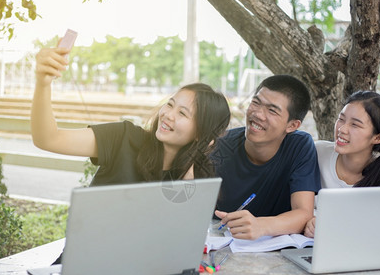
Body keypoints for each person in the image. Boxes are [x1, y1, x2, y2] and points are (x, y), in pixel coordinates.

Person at [31, 46, 231, 186]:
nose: (168, 115)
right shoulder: (123, 137)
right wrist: (43, 83)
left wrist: (190, 173)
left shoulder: (200, 173)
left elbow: (183, 227)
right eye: (170, 104)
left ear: (200, 133)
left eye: (182, 113)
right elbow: (48, 139)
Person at [211, 75, 321, 240]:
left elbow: (303, 213)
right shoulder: (220, 146)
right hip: (219, 242)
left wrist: (260, 225)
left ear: (292, 125)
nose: (258, 114)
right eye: (256, 103)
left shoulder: (299, 146)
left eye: (272, 110)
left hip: (273, 251)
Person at [304, 90, 380, 238]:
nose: (342, 129)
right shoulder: (316, 153)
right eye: (341, 119)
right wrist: (309, 222)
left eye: (355, 125)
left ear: (377, 138)